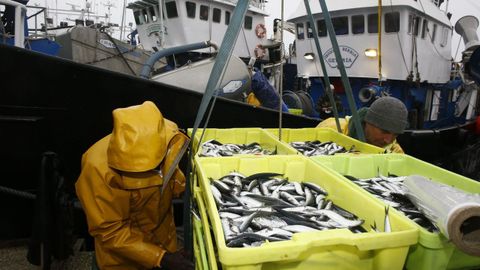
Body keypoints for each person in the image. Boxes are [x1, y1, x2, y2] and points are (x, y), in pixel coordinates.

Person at [75, 101, 193, 270]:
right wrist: (161, 258)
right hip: (123, 259)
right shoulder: (96, 169)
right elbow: (110, 231)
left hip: (164, 239)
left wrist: (184, 188)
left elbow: (171, 176)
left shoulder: (167, 140)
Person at [317, 96, 408, 153]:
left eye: (395, 135)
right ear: (368, 122)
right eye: (384, 131)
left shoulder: (395, 152)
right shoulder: (331, 128)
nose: (388, 140)